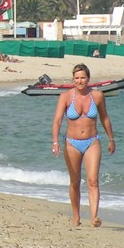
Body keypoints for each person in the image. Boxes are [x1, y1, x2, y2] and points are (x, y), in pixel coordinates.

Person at [51, 63, 116, 228]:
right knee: (75, 182)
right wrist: (55, 142)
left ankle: (94, 217)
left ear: (88, 78)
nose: (80, 81)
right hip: (71, 143)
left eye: (83, 77)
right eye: (77, 78)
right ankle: (76, 216)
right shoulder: (65, 97)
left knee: (93, 180)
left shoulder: (97, 96)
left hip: (92, 141)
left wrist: (111, 139)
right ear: (73, 79)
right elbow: (57, 120)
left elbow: (105, 118)